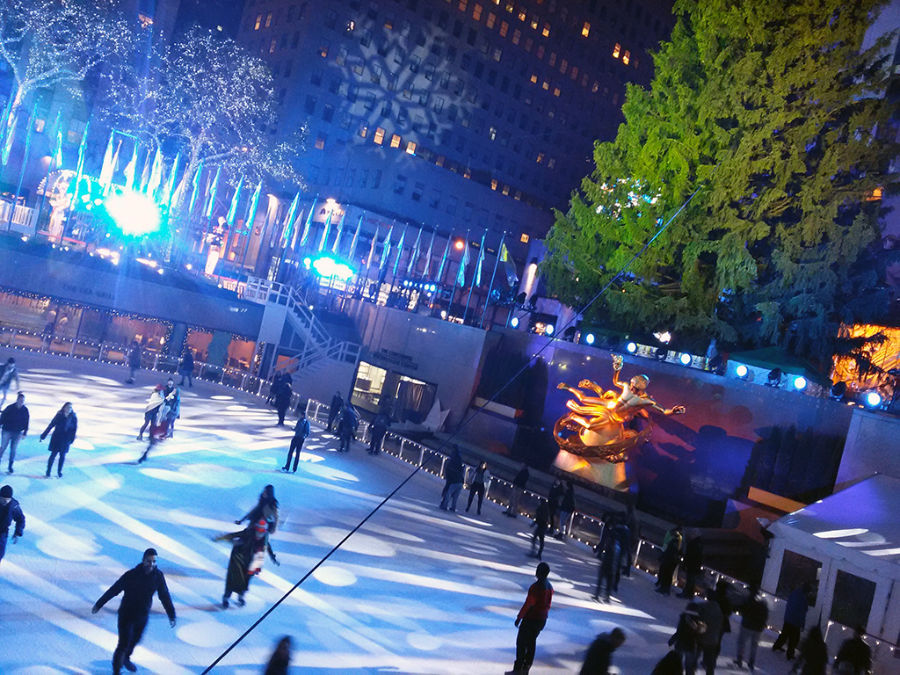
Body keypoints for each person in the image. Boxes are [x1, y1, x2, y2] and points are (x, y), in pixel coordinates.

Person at [92, 548, 176, 675]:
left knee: (135, 640)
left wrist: (171, 613)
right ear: (143, 560)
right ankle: (116, 671)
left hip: (142, 616)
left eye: (154, 562)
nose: (151, 564)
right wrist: (99, 604)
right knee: (123, 644)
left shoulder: (158, 577)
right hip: (126, 614)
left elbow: (164, 595)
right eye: (148, 561)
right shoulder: (131, 575)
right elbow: (114, 590)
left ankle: (126, 658)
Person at [214, 518, 279, 608]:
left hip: (253, 560)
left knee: (246, 580)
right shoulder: (248, 533)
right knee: (232, 579)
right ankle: (226, 598)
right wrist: (221, 537)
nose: (259, 534)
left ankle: (241, 596)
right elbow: (234, 535)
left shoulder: (264, 537)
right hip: (239, 558)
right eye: (258, 531)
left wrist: (273, 558)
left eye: (262, 532)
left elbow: (267, 547)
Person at [509, 561, 553, 675]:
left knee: (521, 642)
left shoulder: (536, 587)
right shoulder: (549, 586)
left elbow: (529, 604)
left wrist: (520, 617)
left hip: (532, 618)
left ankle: (518, 668)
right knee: (531, 642)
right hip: (542, 619)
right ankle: (526, 666)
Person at [734, 585, 768, 672]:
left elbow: (742, 609)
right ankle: (751, 662)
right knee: (754, 646)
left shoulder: (748, 599)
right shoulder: (763, 601)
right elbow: (766, 614)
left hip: (747, 625)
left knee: (742, 642)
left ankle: (739, 659)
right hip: (758, 628)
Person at [773, 583, 811, 660]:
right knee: (794, 639)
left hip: (788, 618)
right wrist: (802, 625)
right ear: (807, 591)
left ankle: (776, 646)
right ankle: (790, 654)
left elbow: (789, 604)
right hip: (795, 622)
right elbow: (802, 613)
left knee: (784, 635)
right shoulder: (804, 599)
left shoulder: (794, 593)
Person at [40, 401, 77, 478]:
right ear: (64, 408)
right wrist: (43, 435)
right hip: (57, 438)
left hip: (66, 440)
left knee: (62, 456)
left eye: (70, 407)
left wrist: (72, 440)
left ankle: (59, 471)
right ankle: (48, 471)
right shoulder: (59, 415)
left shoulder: (73, 417)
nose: (69, 409)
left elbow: (74, 429)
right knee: (53, 455)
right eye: (67, 407)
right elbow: (51, 425)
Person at [670, 600, 705, 675]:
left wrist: (672, 640)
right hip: (691, 646)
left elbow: (679, 631)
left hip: (681, 644)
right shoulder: (700, 621)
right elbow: (701, 633)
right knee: (689, 666)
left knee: (677, 664)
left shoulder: (684, 618)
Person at [696, 588, 725, 675]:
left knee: (695, 656)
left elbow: (700, 621)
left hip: (703, 637)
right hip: (713, 639)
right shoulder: (719, 610)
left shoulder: (704, 607)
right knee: (710, 663)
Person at [593, 517, 621, 602]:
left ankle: (601, 595)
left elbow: (611, 554)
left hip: (608, 564)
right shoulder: (617, 545)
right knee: (607, 581)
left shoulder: (612, 544)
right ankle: (605, 596)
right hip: (611, 565)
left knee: (603, 580)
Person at [0, 392, 29, 474]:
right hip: (7, 430)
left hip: (17, 432)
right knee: (3, 447)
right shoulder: (10, 408)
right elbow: (3, 416)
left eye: (22, 400)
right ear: (17, 400)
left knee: (13, 450)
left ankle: (10, 466)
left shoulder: (25, 410)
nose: (21, 402)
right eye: (20, 400)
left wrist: (25, 432)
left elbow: (26, 421)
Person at [0, 484, 25, 565]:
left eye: (7, 500)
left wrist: (18, 532)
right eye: (3, 499)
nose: (5, 501)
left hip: (2, 532)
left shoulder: (13, 506)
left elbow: (20, 519)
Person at [656, 525, 683, 595]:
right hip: (672, 560)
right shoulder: (677, 542)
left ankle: (664, 588)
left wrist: (663, 556)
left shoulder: (675, 542)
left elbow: (669, 551)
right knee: (668, 574)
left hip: (670, 560)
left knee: (667, 574)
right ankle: (665, 588)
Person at [439, 447, 465, 511]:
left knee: (448, 494)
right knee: (455, 496)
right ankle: (453, 507)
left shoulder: (452, 462)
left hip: (454, 481)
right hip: (460, 481)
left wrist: (449, 479)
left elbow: (449, 471)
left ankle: (444, 505)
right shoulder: (459, 462)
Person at [679, 534, 704, 598]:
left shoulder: (693, 544)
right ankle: (689, 594)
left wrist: (685, 564)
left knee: (690, 580)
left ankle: (686, 594)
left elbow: (689, 556)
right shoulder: (699, 545)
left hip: (692, 565)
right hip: (695, 566)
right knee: (691, 581)